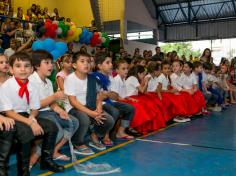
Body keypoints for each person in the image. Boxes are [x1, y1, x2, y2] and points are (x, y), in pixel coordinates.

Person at [1, 52, 64, 174]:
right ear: (11, 70)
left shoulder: (31, 85)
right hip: (11, 115)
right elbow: (9, 112)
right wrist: (30, 123)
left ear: (31, 69)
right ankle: (23, 171)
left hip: (26, 114)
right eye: (18, 66)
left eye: (26, 66)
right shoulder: (6, 86)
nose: (23, 69)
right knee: (26, 133)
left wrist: (32, 118)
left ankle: (46, 161)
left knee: (52, 127)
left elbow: (35, 108)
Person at [29, 50, 79, 166]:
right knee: (58, 131)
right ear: (36, 66)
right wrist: (55, 96)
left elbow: (52, 104)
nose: (51, 65)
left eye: (51, 62)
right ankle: (35, 155)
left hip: (48, 112)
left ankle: (55, 150)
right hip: (37, 113)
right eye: (46, 63)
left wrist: (60, 110)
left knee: (73, 122)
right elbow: (34, 105)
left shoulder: (48, 82)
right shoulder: (31, 81)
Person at [64, 52, 114, 154]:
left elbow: (98, 97)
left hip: (90, 106)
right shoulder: (70, 79)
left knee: (109, 120)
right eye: (82, 61)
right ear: (74, 65)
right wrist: (91, 113)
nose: (86, 64)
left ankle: (94, 136)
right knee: (84, 118)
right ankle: (77, 143)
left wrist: (99, 109)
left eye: (88, 61)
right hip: (74, 108)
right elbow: (73, 102)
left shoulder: (93, 79)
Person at [93, 52, 135, 141]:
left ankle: (121, 132)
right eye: (107, 63)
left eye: (111, 62)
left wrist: (108, 94)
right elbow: (100, 96)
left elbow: (114, 96)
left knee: (130, 108)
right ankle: (105, 134)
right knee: (114, 111)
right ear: (100, 66)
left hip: (110, 101)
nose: (111, 65)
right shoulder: (95, 77)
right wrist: (108, 94)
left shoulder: (110, 77)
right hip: (100, 103)